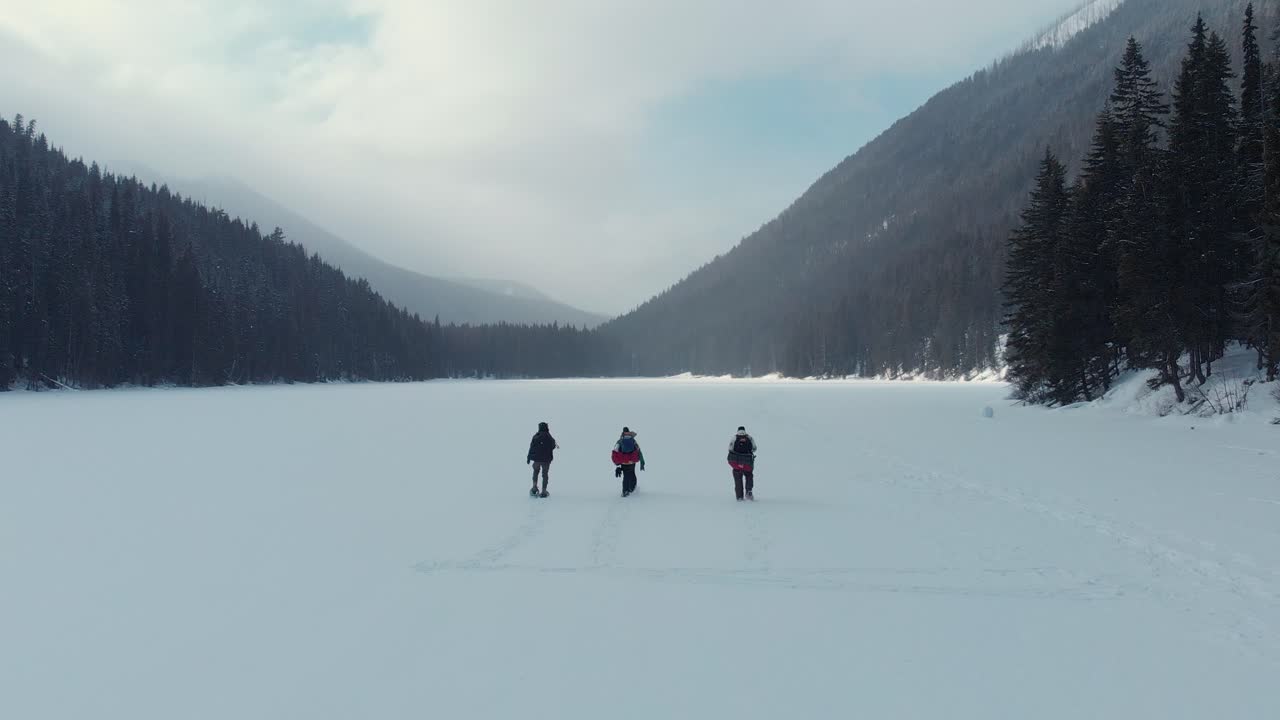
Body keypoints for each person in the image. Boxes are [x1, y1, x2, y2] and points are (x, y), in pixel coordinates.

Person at [611, 427, 645, 497]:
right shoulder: (633, 440)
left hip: (624, 462)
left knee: (626, 476)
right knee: (632, 473)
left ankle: (625, 491)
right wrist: (641, 461)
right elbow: (638, 450)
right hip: (632, 461)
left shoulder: (620, 441)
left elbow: (615, 452)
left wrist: (617, 464)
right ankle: (632, 488)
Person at [527, 421, 558, 498]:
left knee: (535, 472)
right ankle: (544, 491)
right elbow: (553, 446)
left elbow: (531, 447)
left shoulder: (536, 436)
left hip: (536, 459)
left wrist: (529, 457)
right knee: (545, 475)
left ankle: (534, 488)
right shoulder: (549, 436)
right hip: (546, 460)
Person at [727, 426, 757, 501]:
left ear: (738, 431)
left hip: (736, 463)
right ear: (744, 430)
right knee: (749, 475)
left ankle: (739, 497)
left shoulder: (734, 438)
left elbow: (730, 448)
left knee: (738, 479)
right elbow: (754, 448)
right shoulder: (749, 438)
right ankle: (748, 492)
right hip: (747, 463)